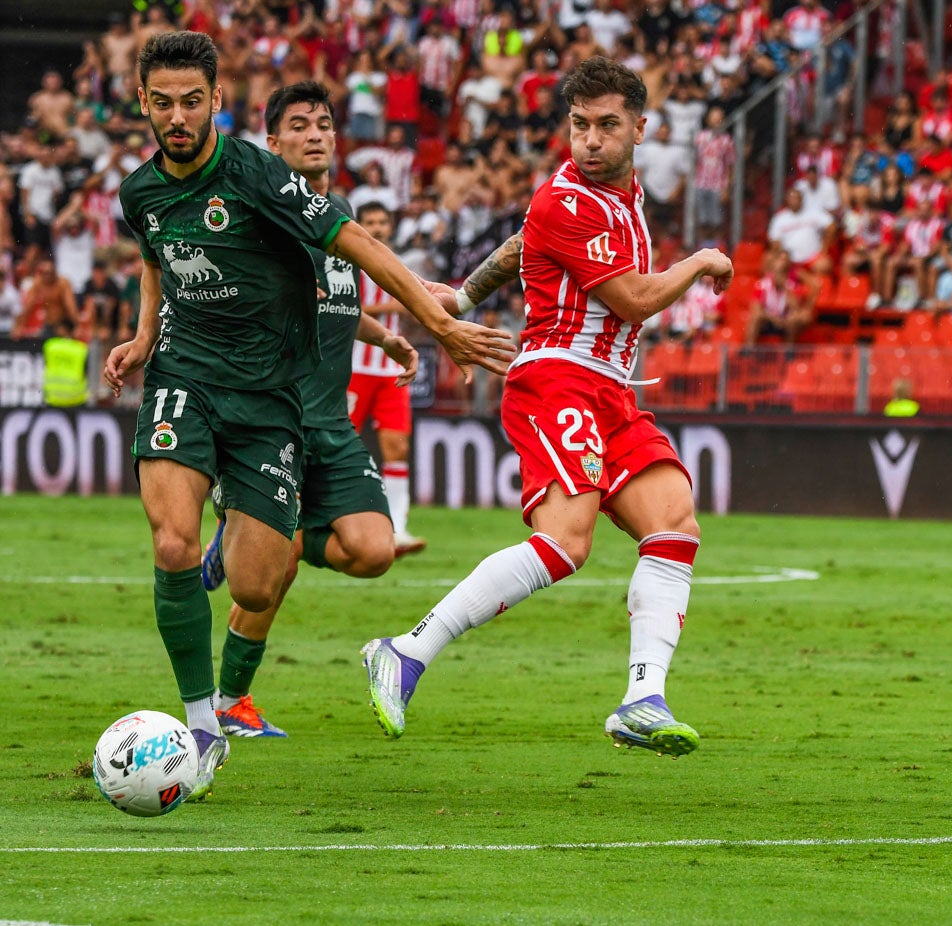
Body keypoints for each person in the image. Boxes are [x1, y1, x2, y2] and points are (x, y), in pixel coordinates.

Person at [101, 32, 514, 800]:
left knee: (258, 587)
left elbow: (357, 245)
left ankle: (239, 538)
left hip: (270, 402)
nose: (178, 117)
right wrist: (144, 336)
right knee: (171, 541)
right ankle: (202, 724)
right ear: (144, 103)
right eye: (163, 103)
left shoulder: (258, 175)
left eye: (192, 101)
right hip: (185, 379)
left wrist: (436, 321)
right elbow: (155, 258)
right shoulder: (139, 192)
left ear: (217, 101)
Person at [362, 56, 734, 757]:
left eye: (606, 125)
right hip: (557, 377)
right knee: (566, 542)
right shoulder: (567, 200)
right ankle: (406, 650)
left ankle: (642, 700)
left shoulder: (620, 198)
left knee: (674, 522)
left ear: (639, 129)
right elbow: (633, 300)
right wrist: (698, 261)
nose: (590, 139)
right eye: (579, 125)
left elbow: (517, 246)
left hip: (610, 387)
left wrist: (463, 296)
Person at [198, 81, 430, 739]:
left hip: (330, 422)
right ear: (272, 143)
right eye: (298, 126)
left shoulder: (341, 212)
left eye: (323, 124)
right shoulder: (262, 219)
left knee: (375, 550)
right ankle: (230, 702)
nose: (315, 135)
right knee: (279, 562)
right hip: (270, 421)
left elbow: (334, 303)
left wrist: (381, 335)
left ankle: (247, 536)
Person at [344, 200, 430, 556]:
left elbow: (412, 306)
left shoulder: (400, 265)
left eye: (382, 222)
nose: (377, 228)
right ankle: (327, 516)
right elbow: (341, 307)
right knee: (338, 444)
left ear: (391, 226)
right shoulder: (347, 262)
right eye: (370, 222)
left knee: (397, 447)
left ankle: (397, 528)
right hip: (353, 368)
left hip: (391, 371)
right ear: (358, 225)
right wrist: (392, 306)